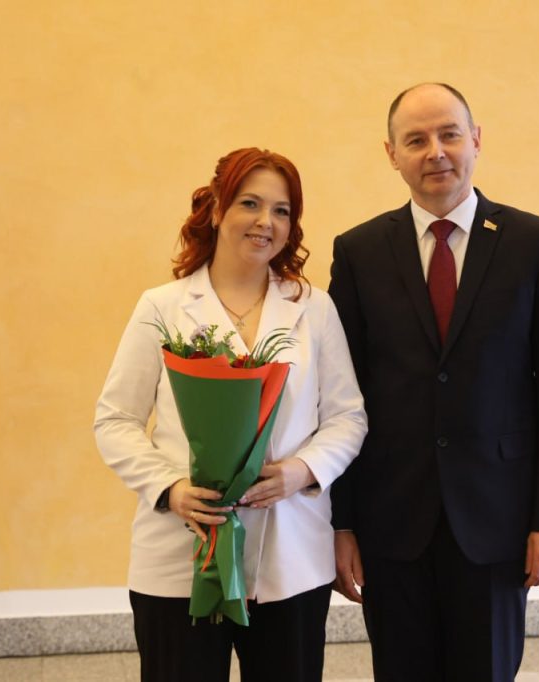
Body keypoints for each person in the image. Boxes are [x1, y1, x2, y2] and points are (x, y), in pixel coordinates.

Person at [328, 83, 539, 681]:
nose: (435, 152)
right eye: (415, 140)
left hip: (499, 521)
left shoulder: (535, 244)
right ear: (392, 154)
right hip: (391, 523)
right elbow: (341, 397)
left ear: (475, 139)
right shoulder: (360, 252)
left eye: (449, 134)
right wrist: (340, 523)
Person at [95, 147, 367, 682]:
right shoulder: (162, 307)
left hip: (290, 555)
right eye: (250, 203)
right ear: (217, 209)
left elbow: (347, 417)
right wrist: (170, 488)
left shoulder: (313, 308)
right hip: (181, 554)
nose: (266, 222)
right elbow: (115, 420)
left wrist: (301, 471)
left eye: (282, 210)